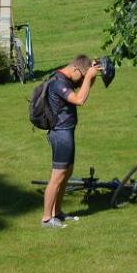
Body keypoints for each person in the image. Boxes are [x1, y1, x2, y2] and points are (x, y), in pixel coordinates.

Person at [40, 55, 101, 228]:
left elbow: (82, 90)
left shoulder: (66, 79)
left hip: (67, 133)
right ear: (75, 69)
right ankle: (46, 219)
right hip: (60, 134)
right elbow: (80, 100)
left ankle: (57, 213)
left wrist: (91, 75)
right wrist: (88, 76)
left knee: (66, 175)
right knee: (57, 177)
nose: (81, 80)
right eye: (81, 76)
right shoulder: (58, 83)